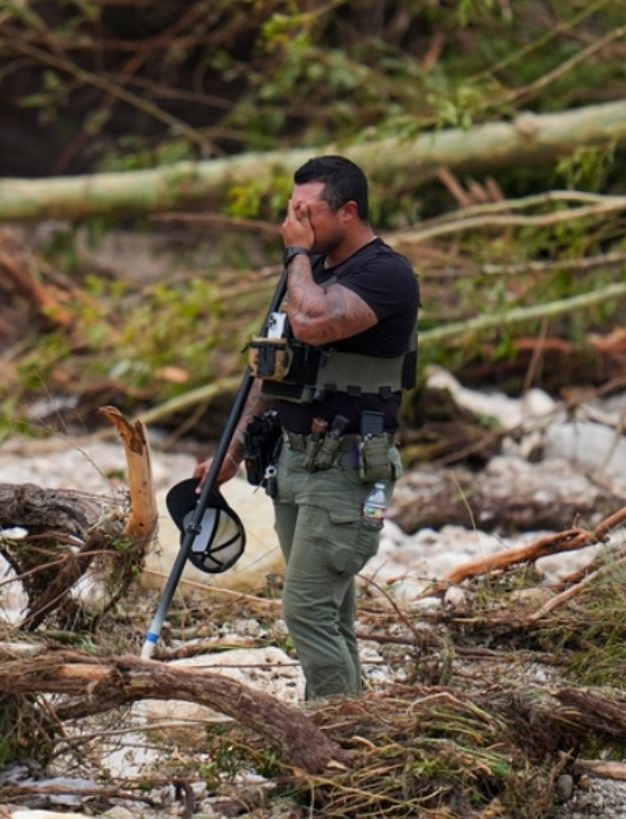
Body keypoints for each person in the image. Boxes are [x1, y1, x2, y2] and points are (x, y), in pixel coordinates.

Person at [194, 155, 420, 699]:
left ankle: (331, 733)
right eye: (289, 211)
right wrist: (236, 447)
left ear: (347, 211)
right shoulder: (310, 274)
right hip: (295, 463)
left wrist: (296, 254)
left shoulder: (386, 273)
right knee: (331, 613)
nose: (292, 223)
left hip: (346, 469)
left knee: (307, 609)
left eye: (305, 212)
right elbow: (269, 370)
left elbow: (315, 324)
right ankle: (357, 731)